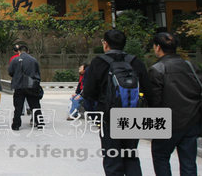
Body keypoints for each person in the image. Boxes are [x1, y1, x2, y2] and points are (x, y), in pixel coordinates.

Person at [82, 29, 151, 176]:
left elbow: (88, 92)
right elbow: (148, 90)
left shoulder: (99, 62)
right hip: (132, 117)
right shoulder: (135, 62)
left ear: (105, 44)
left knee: (112, 159)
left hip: (108, 117)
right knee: (131, 157)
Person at [148, 32, 202, 176]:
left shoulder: (157, 69)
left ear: (158, 47)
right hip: (192, 121)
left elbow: (155, 101)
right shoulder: (190, 66)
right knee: (189, 162)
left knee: (160, 157)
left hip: (168, 123)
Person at [8, 45, 43, 130]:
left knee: (18, 107)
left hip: (19, 86)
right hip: (31, 86)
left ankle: (16, 125)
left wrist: (17, 76)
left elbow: (10, 72)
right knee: (35, 105)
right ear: (28, 51)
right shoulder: (33, 60)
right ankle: (40, 123)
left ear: (19, 51)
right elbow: (37, 73)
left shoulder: (15, 60)